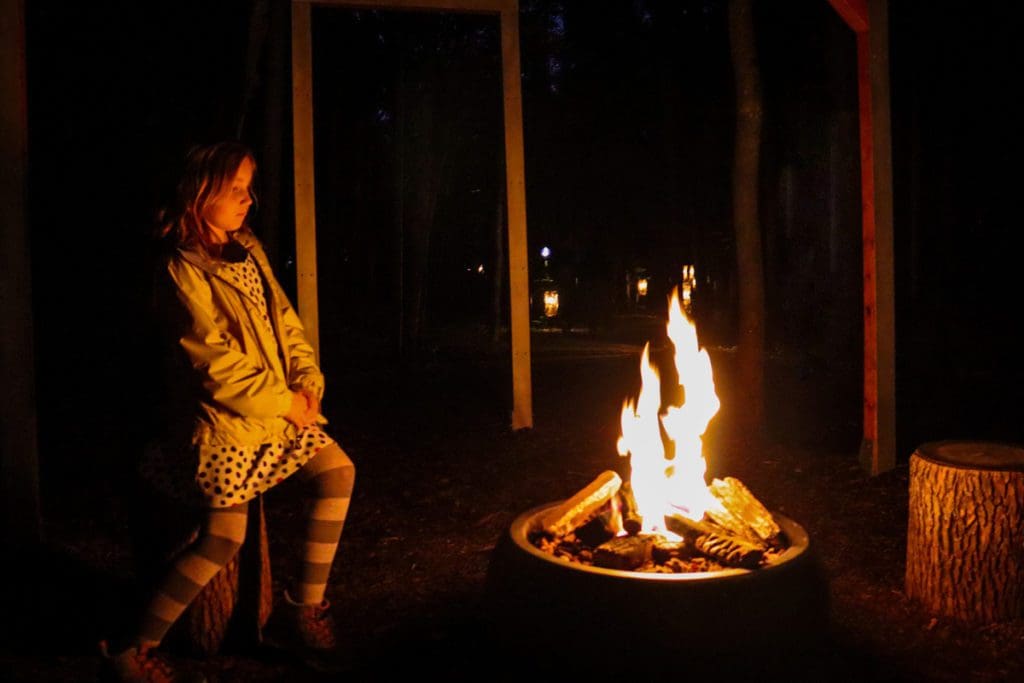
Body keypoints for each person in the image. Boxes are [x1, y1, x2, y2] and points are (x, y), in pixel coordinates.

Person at [100, 141, 356, 682]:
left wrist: (307, 380)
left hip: (276, 412)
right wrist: (285, 402)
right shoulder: (180, 268)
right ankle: (132, 647)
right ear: (201, 193)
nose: (248, 199)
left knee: (336, 473)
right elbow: (213, 364)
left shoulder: (248, 248)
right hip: (226, 426)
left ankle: (302, 609)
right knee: (221, 539)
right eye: (235, 189)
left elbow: (284, 319)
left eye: (249, 187)